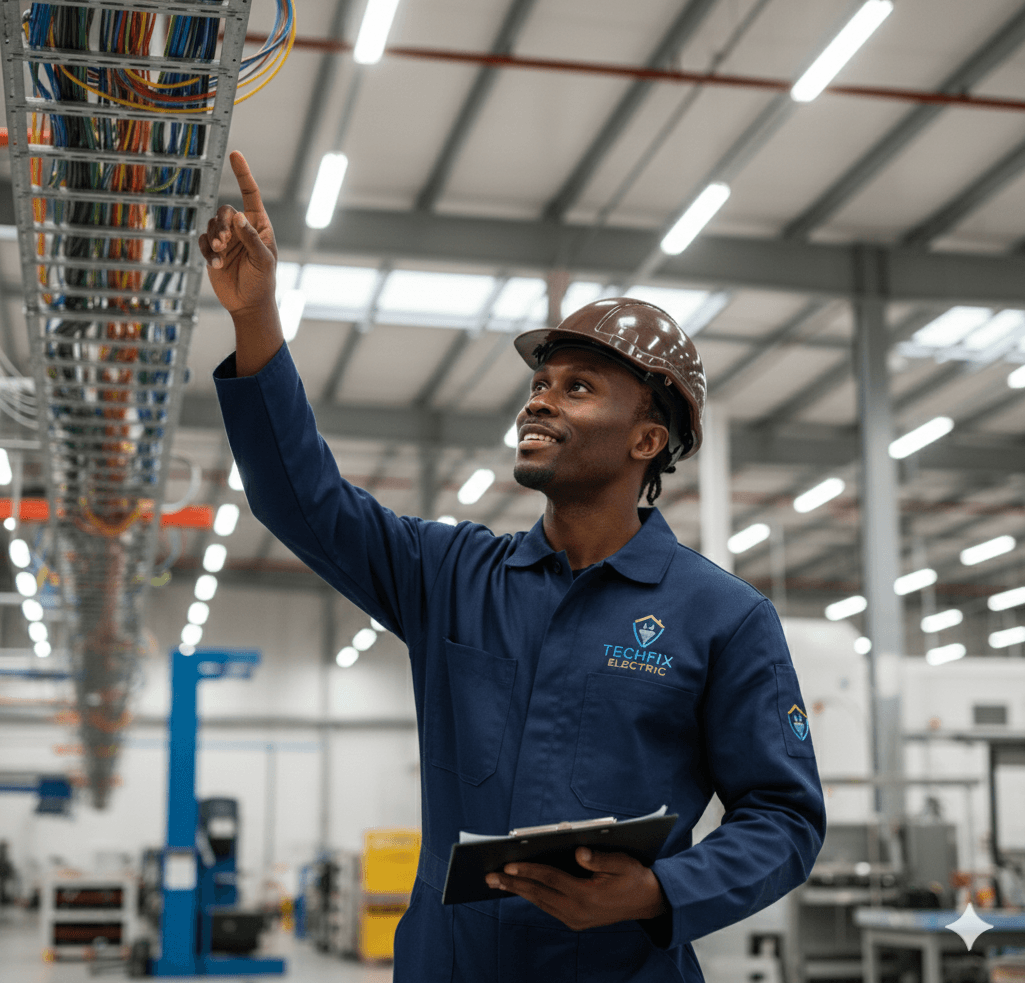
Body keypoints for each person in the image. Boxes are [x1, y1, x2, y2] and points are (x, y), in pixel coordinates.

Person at [202, 152, 825, 982]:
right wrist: (256, 320)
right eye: (539, 382)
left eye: (577, 387)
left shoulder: (723, 618)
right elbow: (299, 497)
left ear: (647, 440)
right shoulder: (451, 575)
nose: (538, 399)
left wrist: (658, 891)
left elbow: (783, 816)